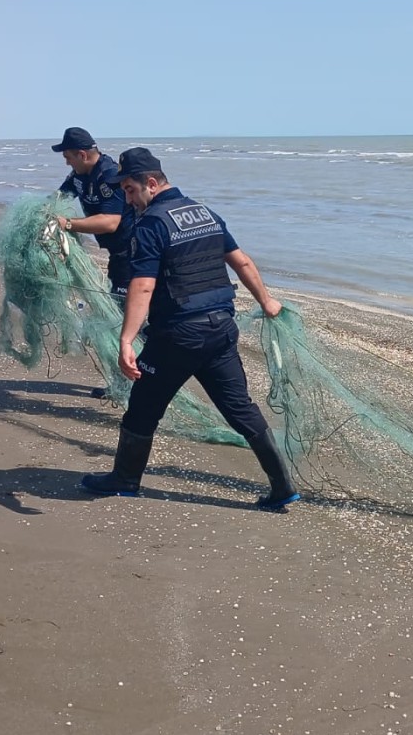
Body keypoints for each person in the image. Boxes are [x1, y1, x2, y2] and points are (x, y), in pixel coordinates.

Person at [79, 147, 300, 511]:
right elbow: (240, 260)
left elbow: (143, 286)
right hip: (221, 330)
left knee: (142, 409)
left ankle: (124, 479)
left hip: (178, 337)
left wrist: (126, 339)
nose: (128, 198)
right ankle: (282, 486)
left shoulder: (151, 224)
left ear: (151, 183)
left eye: (131, 190)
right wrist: (267, 301)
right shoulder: (205, 212)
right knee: (240, 409)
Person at [51, 127, 136, 297]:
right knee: (116, 298)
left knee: (124, 304)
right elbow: (58, 198)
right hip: (116, 252)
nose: (67, 163)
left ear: (82, 155)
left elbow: (110, 222)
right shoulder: (78, 175)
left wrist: (67, 223)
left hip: (132, 252)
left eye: (68, 157)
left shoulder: (109, 175)